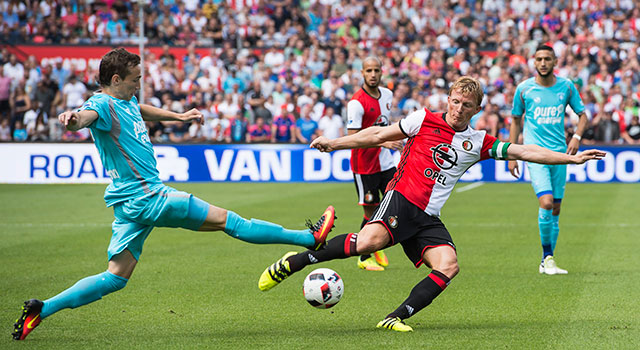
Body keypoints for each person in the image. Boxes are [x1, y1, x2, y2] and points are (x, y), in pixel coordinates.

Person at [12, 48, 337, 341]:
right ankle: (309, 238)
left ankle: (43, 309)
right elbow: (84, 117)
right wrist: (72, 120)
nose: (138, 85)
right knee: (228, 221)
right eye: (135, 79)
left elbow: (143, 110)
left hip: (129, 206)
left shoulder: (126, 102)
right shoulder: (102, 104)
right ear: (115, 79)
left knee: (116, 277)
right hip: (150, 198)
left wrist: (179, 116)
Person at [257, 76, 604, 332]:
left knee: (449, 265)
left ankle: (395, 317)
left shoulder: (479, 141)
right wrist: (334, 143)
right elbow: (378, 135)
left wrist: (569, 160)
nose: (458, 109)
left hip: (428, 217)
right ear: (448, 99)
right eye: (455, 101)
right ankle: (295, 262)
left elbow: (523, 150)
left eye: (467, 105)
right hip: (401, 199)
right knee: (369, 242)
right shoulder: (422, 120)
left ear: (477, 109)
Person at [508, 45, 589, 275]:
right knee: (546, 202)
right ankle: (547, 257)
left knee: (556, 208)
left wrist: (577, 136)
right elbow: (515, 120)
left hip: (560, 155)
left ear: (555, 62)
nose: (543, 63)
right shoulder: (524, 89)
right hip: (534, 154)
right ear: (534, 62)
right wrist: (512, 154)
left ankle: (548, 260)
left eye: (547, 59)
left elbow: (583, 116)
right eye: (539, 59)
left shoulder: (566, 86)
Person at [346, 56, 403, 271]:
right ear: (362, 73)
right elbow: (352, 136)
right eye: (368, 70)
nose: (372, 74)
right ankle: (364, 256)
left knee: (395, 202)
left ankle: (376, 242)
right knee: (370, 213)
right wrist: (384, 141)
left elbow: (384, 125)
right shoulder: (356, 103)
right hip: (365, 166)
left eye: (376, 70)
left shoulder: (387, 95)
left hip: (386, 163)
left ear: (382, 72)